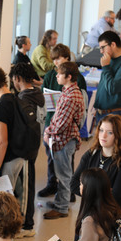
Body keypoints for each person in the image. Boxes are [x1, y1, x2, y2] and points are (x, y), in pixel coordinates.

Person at [38, 43, 87, 200]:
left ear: (67, 58)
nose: (55, 63)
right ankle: (52, 184)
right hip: (51, 121)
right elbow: (42, 96)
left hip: (66, 128)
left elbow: (81, 106)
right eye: (53, 60)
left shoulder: (77, 80)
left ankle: (68, 191)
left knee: (66, 161)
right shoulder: (50, 75)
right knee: (51, 157)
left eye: (58, 59)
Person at [70, 114, 121, 217]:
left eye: (110, 132)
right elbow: (73, 184)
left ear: (118, 135)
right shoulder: (91, 154)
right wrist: (105, 192)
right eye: (101, 130)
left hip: (114, 222)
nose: (103, 136)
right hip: (91, 214)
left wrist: (87, 189)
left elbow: (116, 201)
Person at [43, 61, 85, 220]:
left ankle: (61, 208)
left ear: (68, 77)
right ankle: (60, 202)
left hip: (65, 140)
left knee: (64, 175)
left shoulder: (71, 96)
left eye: (59, 74)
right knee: (62, 174)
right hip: (62, 139)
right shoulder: (68, 91)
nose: (56, 76)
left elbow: (62, 122)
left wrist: (48, 131)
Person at [9, 63, 44, 237]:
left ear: (17, 79)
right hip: (33, 148)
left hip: (26, 151)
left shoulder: (24, 100)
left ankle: (27, 225)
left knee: (25, 188)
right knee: (26, 185)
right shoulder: (37, 95)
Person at [93, 31, 121, 129]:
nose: (101, 51)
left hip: (116, 114)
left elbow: (112, 89)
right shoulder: (110, 59)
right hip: (103, 113)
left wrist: (105, 67)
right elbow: (104, 84)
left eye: (103, 47)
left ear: (113, 44)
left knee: (116, 144)